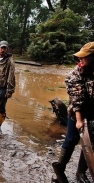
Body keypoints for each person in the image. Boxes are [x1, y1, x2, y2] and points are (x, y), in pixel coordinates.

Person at [52, 42, 94, 183]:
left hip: (93, 114)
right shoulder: (74, 74)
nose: (80, 59)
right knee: (71, 140)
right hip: (76, 113)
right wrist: (80, 120)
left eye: (84, 57)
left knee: (88, 144)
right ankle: (59, 172)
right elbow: (77, 100)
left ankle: (81, 173)